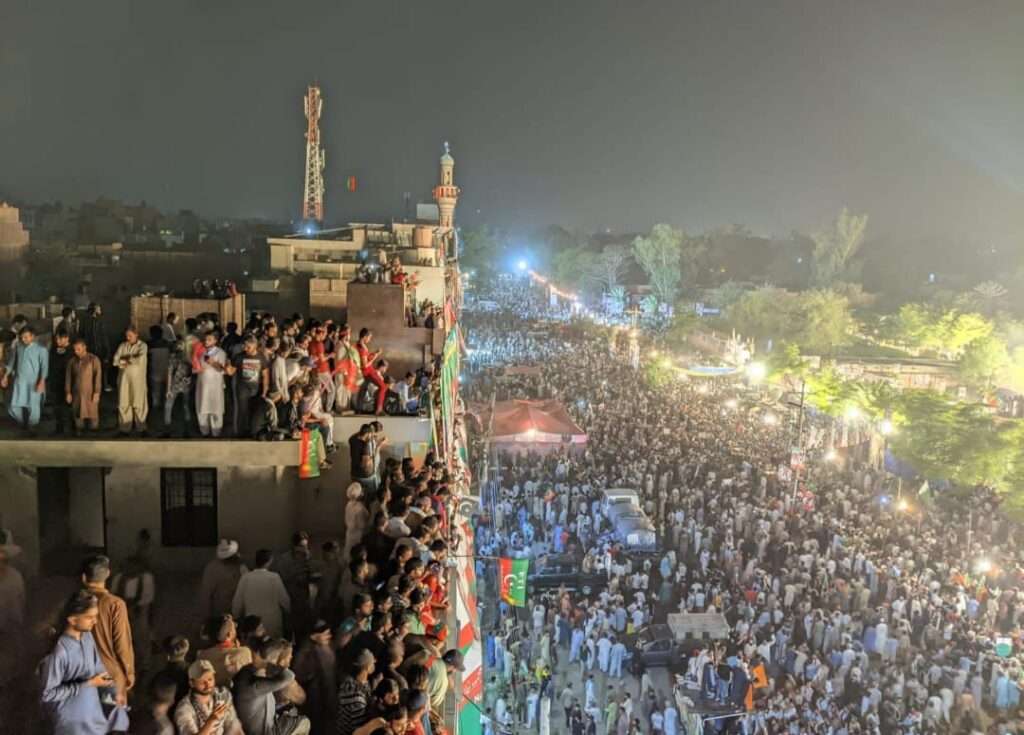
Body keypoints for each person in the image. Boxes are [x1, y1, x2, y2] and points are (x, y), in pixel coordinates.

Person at [37, 590, 130, 734]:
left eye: (96, 616)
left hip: (92, 715)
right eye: (90, 617)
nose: (96, 621)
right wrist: (88, 684)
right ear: (72, 620)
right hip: (71, 724)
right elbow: (47, 694)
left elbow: (98, 668)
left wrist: (112, 692)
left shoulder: (87, 637)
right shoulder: (59, 651)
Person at [80, 555, 135, 702]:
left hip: (81, 676)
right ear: (108, 575)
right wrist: (129, 673)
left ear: (84, 578)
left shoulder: (74, 603)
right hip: (109, 675)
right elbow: (122, 644)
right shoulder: (115, 604)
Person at [233, 637, 310, 735]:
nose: (290, 660)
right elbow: (291, 679)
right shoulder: (254, 685)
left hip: (268, 724)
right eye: (289, 657)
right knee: (304, 721)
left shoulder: (248, 674)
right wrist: (276, 663)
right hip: (267, 732)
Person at [173, 658, 243, 735]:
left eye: (210, 679)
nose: (208, 684)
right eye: (202, 681)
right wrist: (210, 722)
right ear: (191, 683)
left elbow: (233, 725)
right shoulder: (184, 708)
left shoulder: (223, 694)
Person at [232, 548, 291, 639]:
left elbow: (237, 602)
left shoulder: (246, 578)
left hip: (252, 624)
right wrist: (290, 612)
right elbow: (285, 600)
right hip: (272, 623)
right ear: (269, 561)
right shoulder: (274, 577)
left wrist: (236, 617)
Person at [293, 620, 337, 734]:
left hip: (329, 695)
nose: (329, 636)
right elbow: (299, 674)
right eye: (326, 634)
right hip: (316, 699)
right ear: (314, 635)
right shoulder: (305, 651)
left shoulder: (326, 646)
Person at [3, 325, 48, 431]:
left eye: (26, 337)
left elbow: (44, 368)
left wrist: (41, 381)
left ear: (33, 336)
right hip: (19, 381)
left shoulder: (41, 350)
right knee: (13, 406)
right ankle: (23, 422)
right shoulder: (18, 348)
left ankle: (32, 426)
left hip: (34, 382)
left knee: (33, 406)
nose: (23, 339)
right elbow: (11, 364)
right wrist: (5, 376)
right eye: (22, 337)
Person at [196, 614, 253, 688]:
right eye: (234, 627)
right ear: (229, 635)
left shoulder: (202, 655)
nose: (236, 626)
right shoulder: (244, 652)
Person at [112, 325, 148, 435]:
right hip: (124, 380)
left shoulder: (142, 346)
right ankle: (124, 428)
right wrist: (128, 360)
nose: (128, 338)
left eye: (130, 336)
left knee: (139, 402)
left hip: (138, 380)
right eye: (126, 336)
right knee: (124, 402)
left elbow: (139, 360)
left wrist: (125, 359)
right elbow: (115, 360)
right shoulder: (122, 346)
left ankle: (141, 428)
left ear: (136, 334)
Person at [199, 539, 248, 621]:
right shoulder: (212, 569)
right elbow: (206, 594)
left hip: (234, 609)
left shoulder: (241, 567)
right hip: (221, 610)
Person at [231, 335, 268, 438]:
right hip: (242, 388)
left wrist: (265, 391)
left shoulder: (261, 357)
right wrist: (225, 365)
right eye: (244, 346)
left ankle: (253, 431)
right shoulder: (239, 357)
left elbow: (265, 375)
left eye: (248, 347)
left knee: (254, 411)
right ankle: (241, 433)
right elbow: (231, 371)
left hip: (256, 389)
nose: (245, 349)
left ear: (255, 345)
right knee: (242, 411)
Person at [194, 331, 229, 437]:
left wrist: (213, 362)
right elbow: (195, 366)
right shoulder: (201, 352)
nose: (206, 341)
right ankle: (204, 432)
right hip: (202, 384)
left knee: (216, 409)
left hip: (215, 385)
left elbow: (223, 369)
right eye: (205, 339)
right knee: (202, 408)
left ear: (215, 340)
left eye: (209, 339)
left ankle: (216, 432)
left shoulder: (220, 353)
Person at [65, 337, 102, 435]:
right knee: (78, 413)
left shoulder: (94, 359)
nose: (76, 352)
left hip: (90, 392)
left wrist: (97, 392)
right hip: (76, 393)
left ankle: (94, 432)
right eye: (74, 350)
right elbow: (68, 378)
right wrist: (68, 392)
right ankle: (79, 431)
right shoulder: (72, 361)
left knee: (92, 414)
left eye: (78, 349)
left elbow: (97, 377)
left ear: (85, 347)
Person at [164, 336, 193, 436]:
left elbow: (192, 372)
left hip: (184, 386)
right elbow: (169, 373)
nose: (179, 347)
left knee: (185, 407)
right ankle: (168, 429)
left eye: (181, 345)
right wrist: (168, 389)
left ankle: (187, 430)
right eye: (177, 345)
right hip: (175, 385)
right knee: (169, 406)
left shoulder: (188, 358)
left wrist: (189, 380)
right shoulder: (174, 358)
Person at [49, 329, 73, 435]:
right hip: (56, 383)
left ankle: (73, 428)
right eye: (56, 339)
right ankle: (59, 428)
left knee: (69, 406)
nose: (57, 341)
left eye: (60, 338)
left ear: (67, 338)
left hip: (69, 383)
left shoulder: (73, 351)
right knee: (57, 407)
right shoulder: (53, 350)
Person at [147, 325, 171, 415]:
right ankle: (166, 413)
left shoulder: (149, 345)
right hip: (167, 372)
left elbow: (148, 360)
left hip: (155, 372)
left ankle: (157, 413)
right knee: (166, 394)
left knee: (156, 395)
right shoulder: (168, 344)